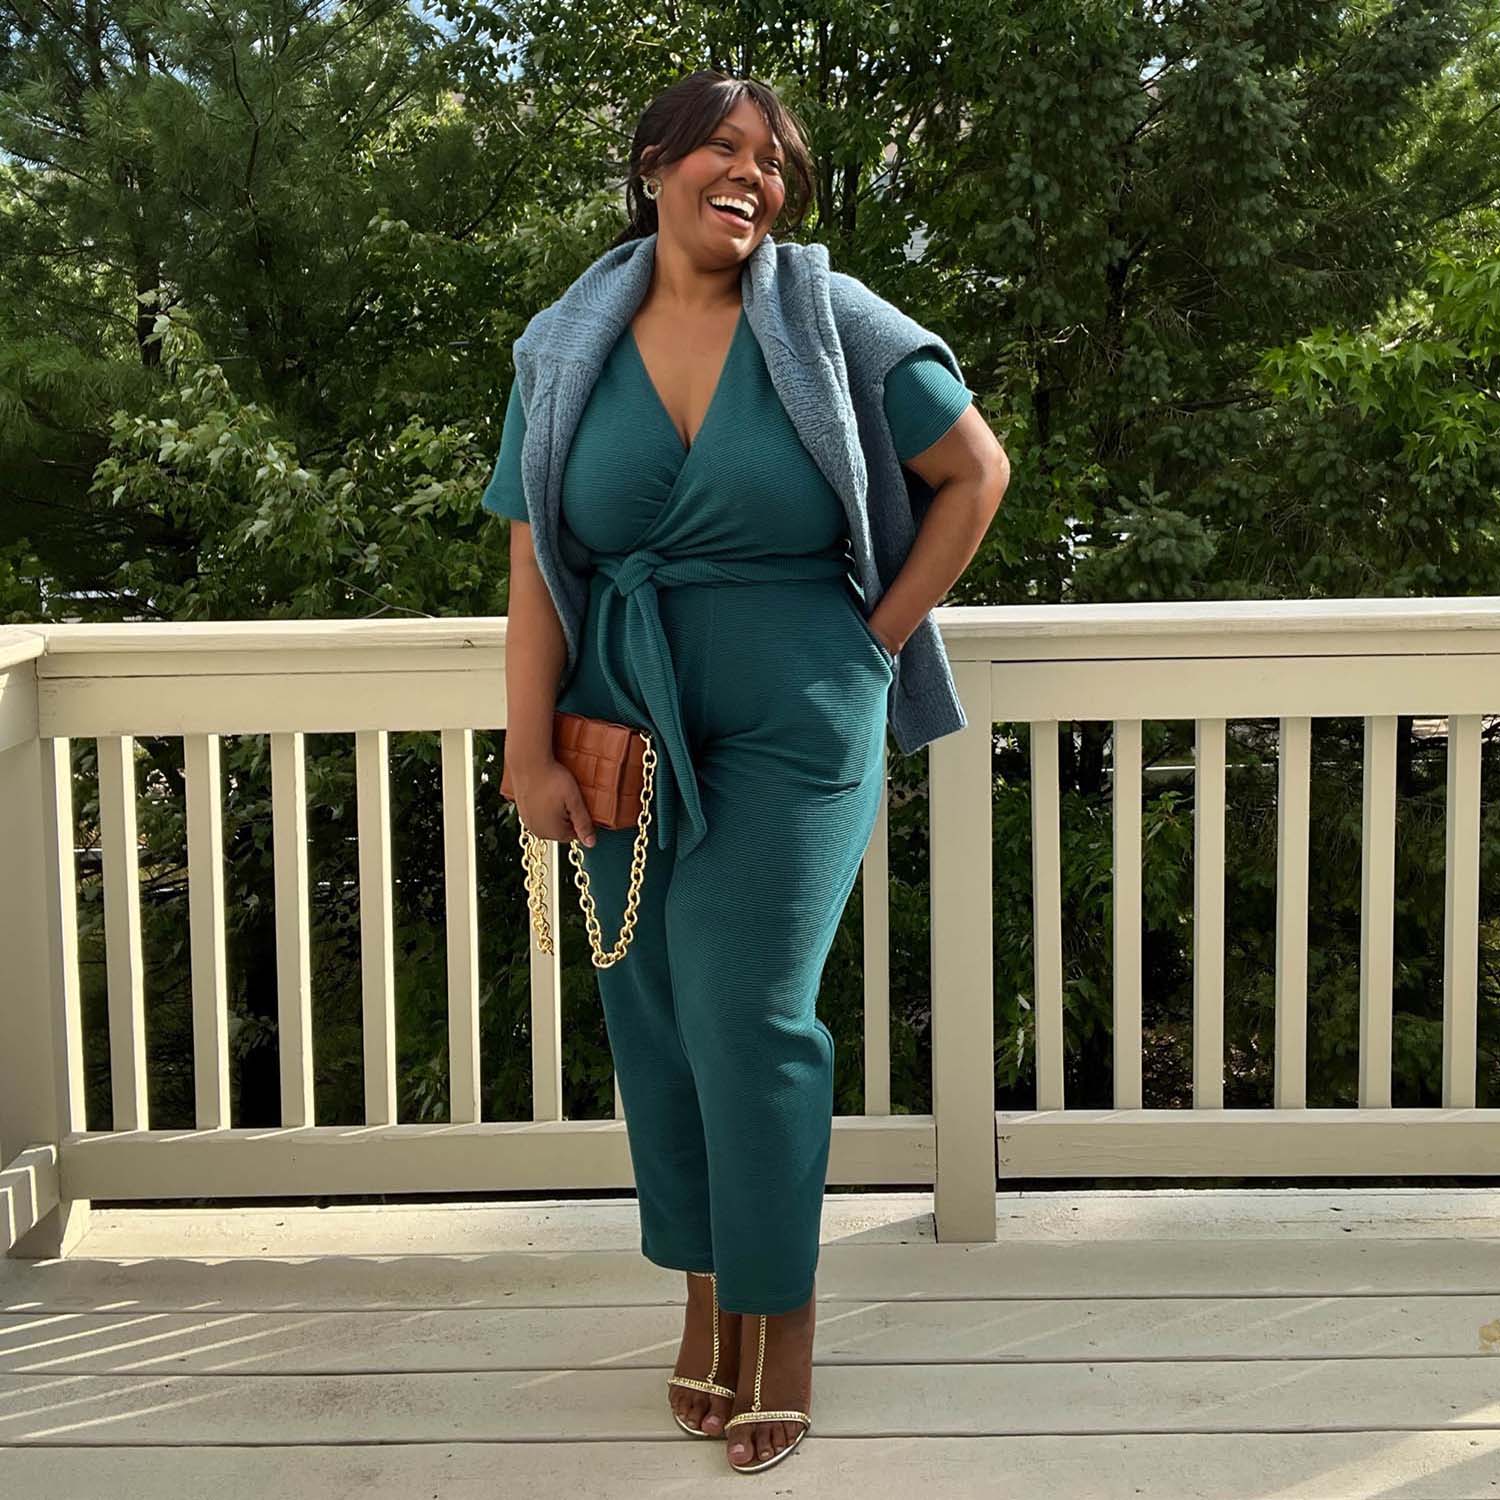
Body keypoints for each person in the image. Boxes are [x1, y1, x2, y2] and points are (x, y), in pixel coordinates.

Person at [486, 70, 1010, 1475]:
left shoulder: (834, 321)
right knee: (652, 1012)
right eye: (722, 147)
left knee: (749, 1012)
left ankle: (782, 1315)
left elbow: (975, 473)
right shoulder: (563, 348)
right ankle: (704, 1289)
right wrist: (528, 747)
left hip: (797, 709)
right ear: (654, 164)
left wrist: (873, 641)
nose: (751, 176)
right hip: (622, 709)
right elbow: (535, 564)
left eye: (772, 162)